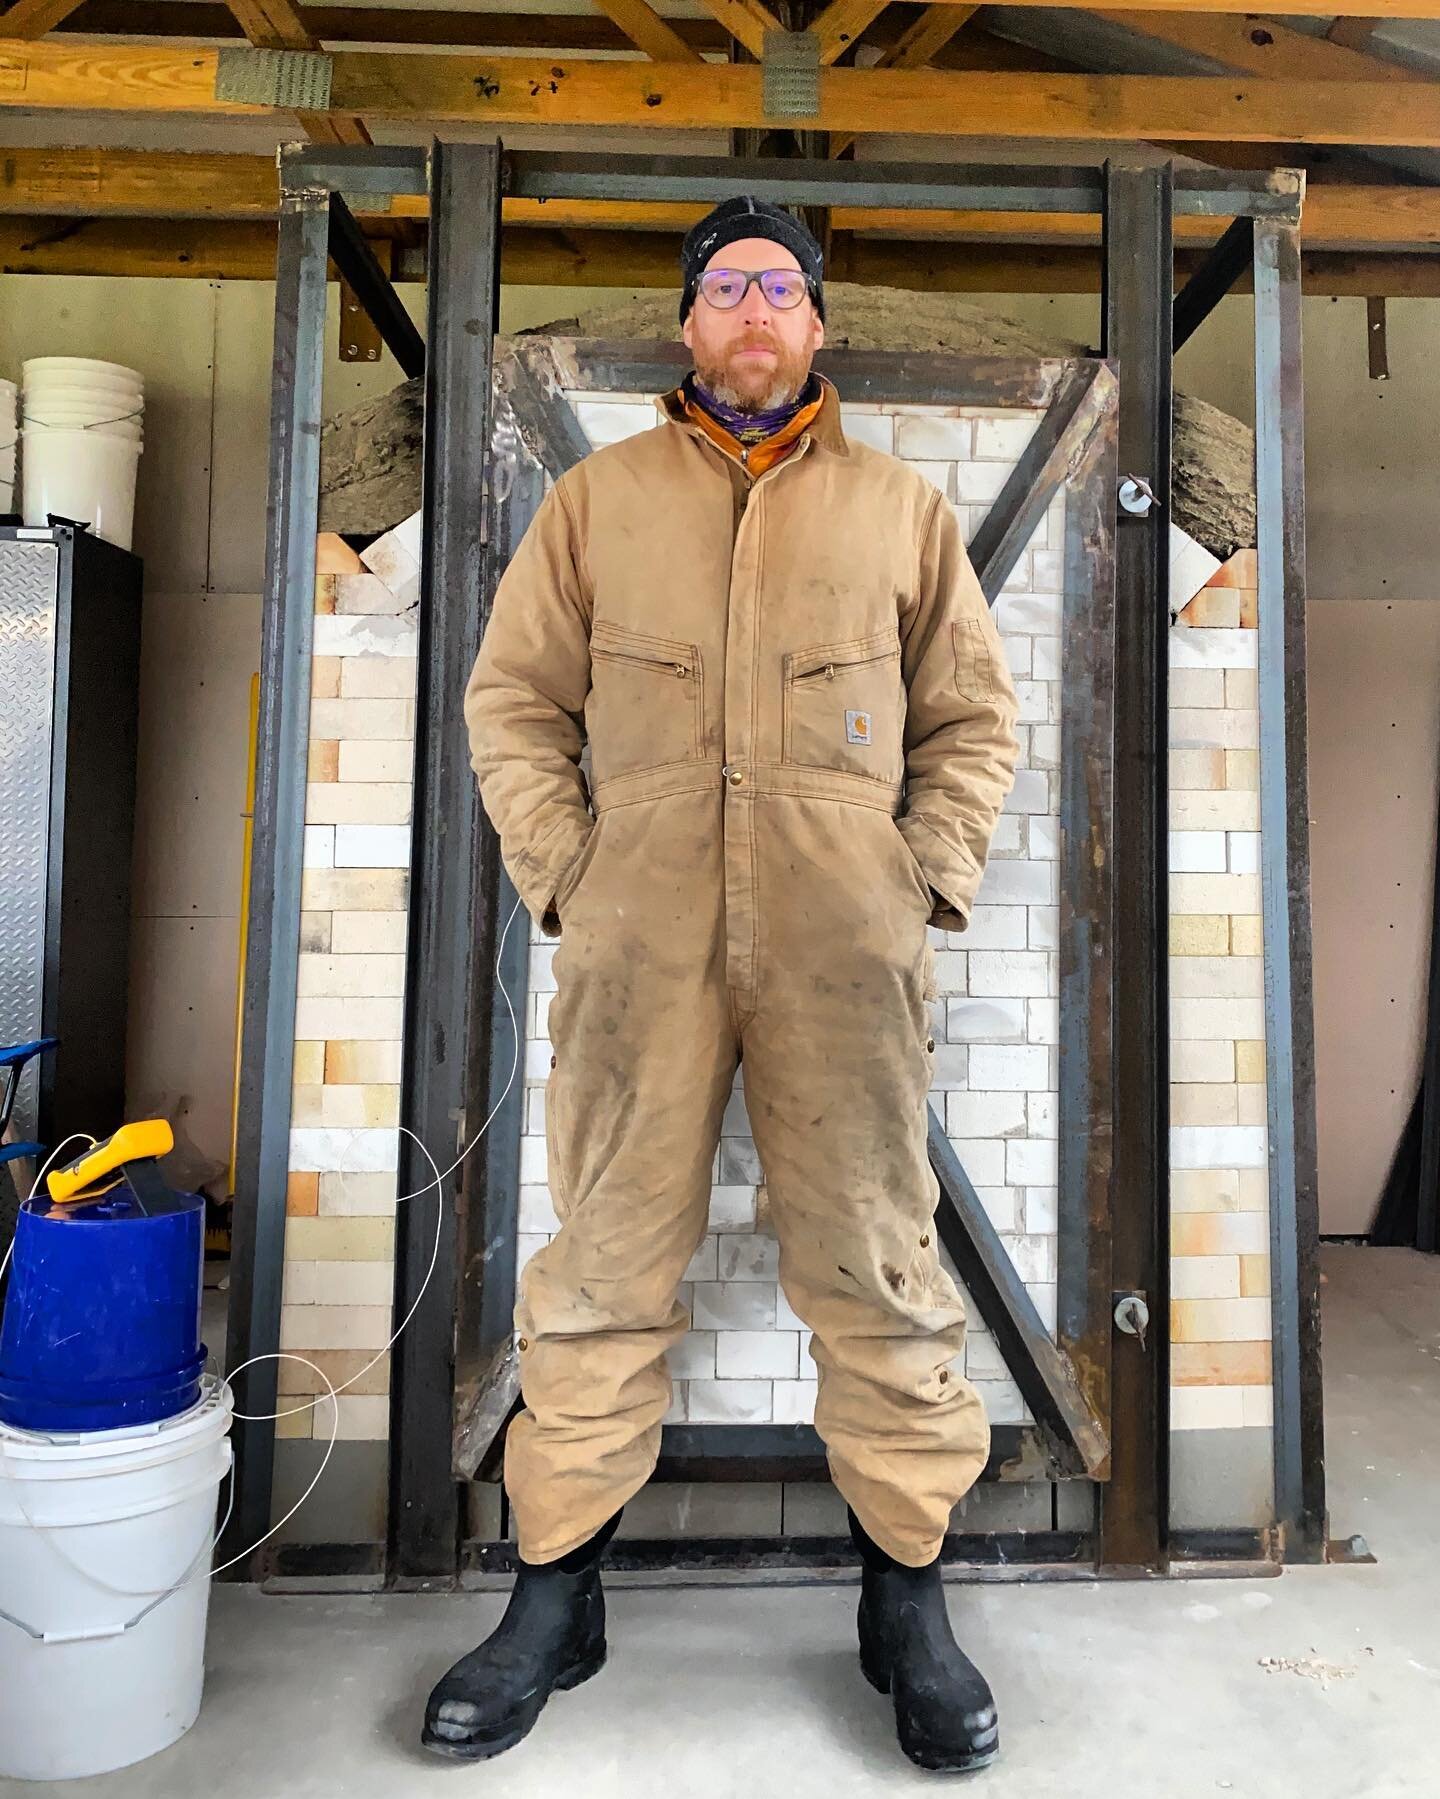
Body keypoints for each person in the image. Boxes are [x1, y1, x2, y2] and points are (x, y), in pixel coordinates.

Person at [424, 195, 1021, 1773]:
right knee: (605, 1261)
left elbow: (970, 724)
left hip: (845, 951)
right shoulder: (595, 505)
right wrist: (571, 873)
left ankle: (908, 1602)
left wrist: (922, 880)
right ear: (688, 326)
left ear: (815, 325)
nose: (754, 310)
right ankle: (557, 1593)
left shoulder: (900, 512)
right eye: (725, 287)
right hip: (643, 946)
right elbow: (511, 707)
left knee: (880, 1270)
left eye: (781, 287)